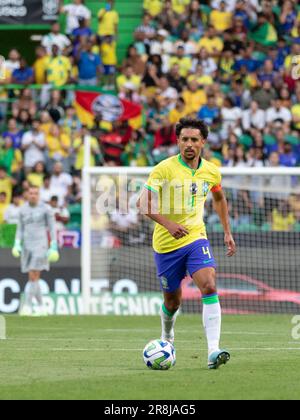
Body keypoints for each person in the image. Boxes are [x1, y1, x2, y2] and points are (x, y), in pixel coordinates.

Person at [138, 118, 236, 369]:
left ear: (203, 142)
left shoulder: (212, 171)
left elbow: (219, 198)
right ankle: (167, 336)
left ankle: (213, 351)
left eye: (194, 139)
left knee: (209, 285)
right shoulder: (164, 169)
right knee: (172, 302)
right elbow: (143, 204)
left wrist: (227, 231)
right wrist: (169, 225)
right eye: (184, 139)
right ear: (178, 141)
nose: (189, 144)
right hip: (166, 244)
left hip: (195, 237)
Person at [12, 186, 59, 316]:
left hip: (41, 245)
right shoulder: (23, 209)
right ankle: (41, 306)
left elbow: (52, 227)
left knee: (34, 273)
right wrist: (17, 243)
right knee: (32, 276)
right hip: (27, 246)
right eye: (31, 193)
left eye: (35, 193)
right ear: (27, 194)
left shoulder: (46, 209)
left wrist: (53, 245)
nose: (33, 195)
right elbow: (20, 228)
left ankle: (27, 305)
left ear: (39, 195)